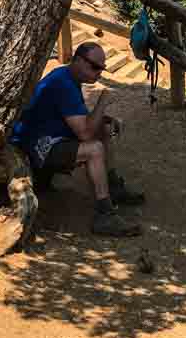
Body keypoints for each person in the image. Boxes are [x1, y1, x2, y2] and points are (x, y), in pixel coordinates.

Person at [10, 41, 143, 236]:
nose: (100, 72)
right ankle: (104, 215)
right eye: (95, 67)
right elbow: (85, 133)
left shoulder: (68, 78)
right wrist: (103, 102)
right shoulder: (63, 84)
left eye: (102, 68)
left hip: (51, 135)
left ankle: (112, 186)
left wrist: (106, 119)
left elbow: (78, 117)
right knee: (94, 149)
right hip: (39, 146)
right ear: (79, 61)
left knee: (103, 129)